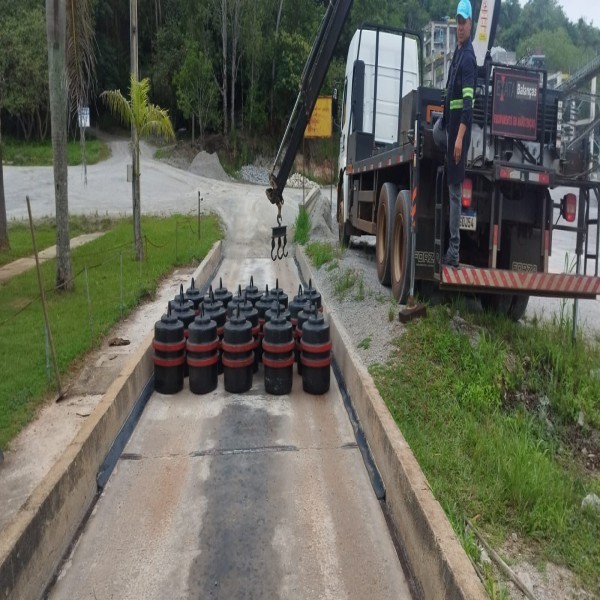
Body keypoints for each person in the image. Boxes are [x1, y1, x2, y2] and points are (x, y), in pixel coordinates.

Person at [439, 0, 477, 267]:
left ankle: (454, 251)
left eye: (463, 22)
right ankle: (451, 247)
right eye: (457, 22)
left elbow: (467, 105)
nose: (459, 27)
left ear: (471, 24)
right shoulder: (458, 53)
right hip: (449, 128)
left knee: (454, 193)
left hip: (457, 135)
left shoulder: (469, 59)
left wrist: (460, 138)